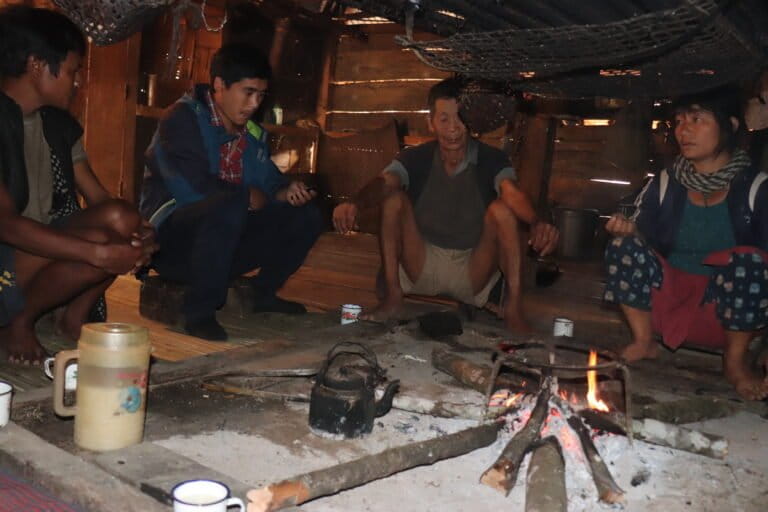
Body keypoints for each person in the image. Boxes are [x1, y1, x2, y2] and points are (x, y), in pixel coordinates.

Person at [332, 78, 558, 331]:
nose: (453, 128)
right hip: (420, 264)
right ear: (431, 123)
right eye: (444, 119)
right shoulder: (416, 158)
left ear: (470, 121)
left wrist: (537, 222)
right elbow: (385, 182)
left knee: (503, 210)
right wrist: (355, 202)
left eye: (460, 119)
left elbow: (512, 193)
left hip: (473, 270)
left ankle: (514, 309)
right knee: (393, 200)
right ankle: (393, 298)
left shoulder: (492, 158)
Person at [0, 6, 156, 364]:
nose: (77, 82)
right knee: (100, 244)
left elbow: (101, 201)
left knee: (121, 222)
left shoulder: (57, 125)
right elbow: (6, 224)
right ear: (38, 66)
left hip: (34, 250)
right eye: (72, 71)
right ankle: (17, 323)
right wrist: (97, 253)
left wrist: (140, 234)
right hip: (7, 256)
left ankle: (73, 320)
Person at [140, 43, 322, 341]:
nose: (254, 103)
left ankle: (262, 294)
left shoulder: (251, 133)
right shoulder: (182, 118)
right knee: (230, 202)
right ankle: (199, 311)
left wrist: (286, 192)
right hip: (171, 244)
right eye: (248, 92)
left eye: (260, 95)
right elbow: (191, 189)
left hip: (224, 242)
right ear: (220, 85)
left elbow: (268, 183)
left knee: (306, 215)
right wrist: (246, 197)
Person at [604, 86, 768, 400]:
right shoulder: (665, 182)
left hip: (729, 312)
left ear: (730, 125)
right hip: (669, 300)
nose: (684, 130)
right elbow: (644, 244)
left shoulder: (757, 189)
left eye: (697, 119)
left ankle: (734, 364)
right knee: (623, 248)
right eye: (679, 121)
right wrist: (628, 232)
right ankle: (643, 341)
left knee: (749, 261)